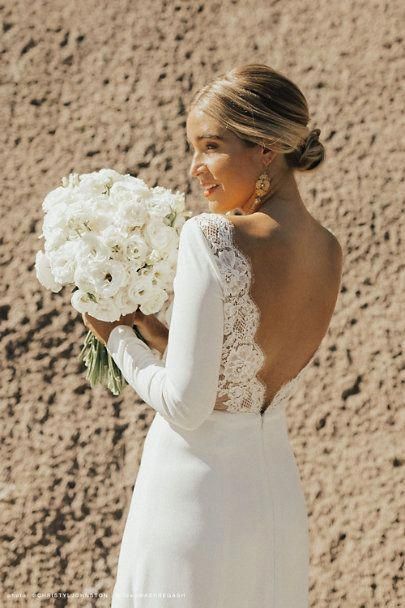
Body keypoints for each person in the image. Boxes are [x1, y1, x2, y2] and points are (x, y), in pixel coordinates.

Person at [83, 63, 343, 607]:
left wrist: (115, 337)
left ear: (266, 148)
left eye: (210, 146)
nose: (196, 168)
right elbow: (240, 369)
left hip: (194, 503)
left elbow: (188, 404)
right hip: (270, 501)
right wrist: (154, 331)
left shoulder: (212, 235)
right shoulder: (327, 250)